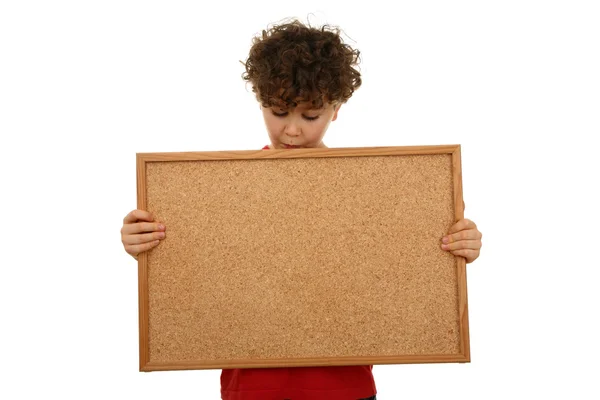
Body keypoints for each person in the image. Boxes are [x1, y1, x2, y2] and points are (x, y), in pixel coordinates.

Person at [120, 18, 483, 400]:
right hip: (251, 389)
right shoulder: (224, 188)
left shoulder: (374, 188)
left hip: (346, 390)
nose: (292, 131)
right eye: (278, 112)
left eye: (310, 117)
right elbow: (201, 266)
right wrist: (145, 244)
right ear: (260, 102)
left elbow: (401, 262)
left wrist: (459, 247)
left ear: (336, 108)